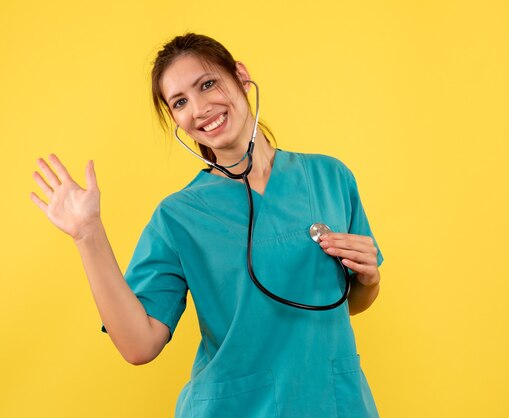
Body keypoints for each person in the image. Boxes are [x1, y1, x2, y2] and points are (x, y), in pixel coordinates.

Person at [30, 33, 383, 417]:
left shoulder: (330, 177)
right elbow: (139, 346)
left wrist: (369, 279)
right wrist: (88, 235)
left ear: (241, 77)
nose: (198, 108)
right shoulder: (178, 217)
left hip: (334, 403)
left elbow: (349, 303)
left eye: (208, 84)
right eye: (180, 102)